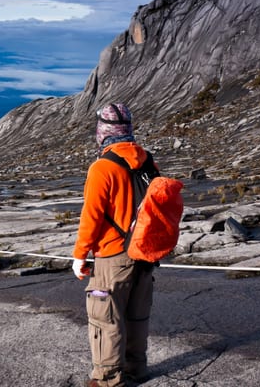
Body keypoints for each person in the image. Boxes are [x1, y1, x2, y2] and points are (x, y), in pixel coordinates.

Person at [72, 103, 158, 387]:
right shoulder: (149, 163)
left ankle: (108, 379)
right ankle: (137, 368)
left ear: (102, 131)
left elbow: (92, 216)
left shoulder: (103, 167)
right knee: (137, 316)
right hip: (145, 253)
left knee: (105, 319)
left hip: (113, 256)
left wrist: (79, 255)